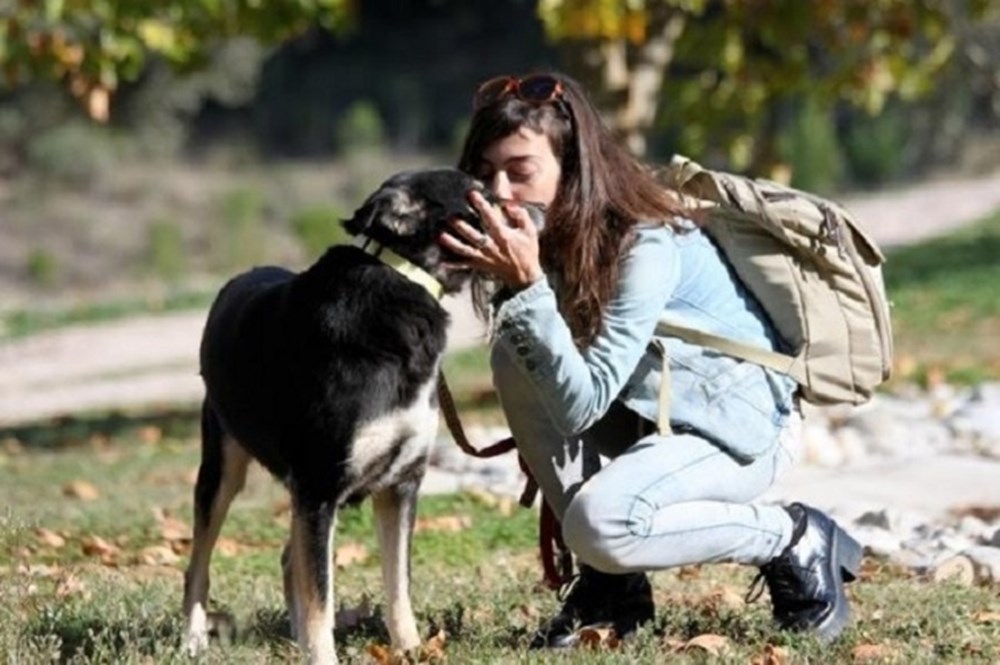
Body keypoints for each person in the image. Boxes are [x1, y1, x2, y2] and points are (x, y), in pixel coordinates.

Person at [437, 72, 862, 649]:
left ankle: (792, 536)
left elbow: (582, 403)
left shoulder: (646, 241)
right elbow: (568, 402)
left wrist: (530, 285)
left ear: (574, 167)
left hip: (740, 432)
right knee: (515, 355)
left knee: (600, 523)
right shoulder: (552, 241)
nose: (501, 192)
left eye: (520, 170)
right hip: (652, 417)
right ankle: (612, 588)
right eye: (486, 174)